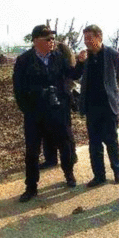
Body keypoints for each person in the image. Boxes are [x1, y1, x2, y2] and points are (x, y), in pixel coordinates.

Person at [13, 25, 83, 202]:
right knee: (32, 151)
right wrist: (28, 109)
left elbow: (72, 74)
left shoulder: (58, 57)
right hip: (35, 113)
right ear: (36, 40)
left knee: (65, 145)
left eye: (53, 39)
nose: (52, 42)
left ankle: (69, 174)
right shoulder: (24, 60)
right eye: (48, 39)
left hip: (58, 110)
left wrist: (81, 63)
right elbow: (18, 89)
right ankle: (31, 187)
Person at [76, 24, 119, 187]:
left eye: (90, 38)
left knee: (111, 140)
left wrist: (111, 94)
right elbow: (76, 75)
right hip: (91, 106)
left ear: (99, 37)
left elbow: (117, 76)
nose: (87, 41)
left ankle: (117, 170)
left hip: (108, 105)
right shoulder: (84, 57)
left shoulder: (112, 54)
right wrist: (80, 63)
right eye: (85, 38)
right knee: (94, 143)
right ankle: (99, 175)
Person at [39, 40, 79, 169]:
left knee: (64, 129)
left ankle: (67, 156)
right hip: (50, 97)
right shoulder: (49, 56)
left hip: (62, 97)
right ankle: (56, 157)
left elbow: (71, 74)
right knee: (49, 129)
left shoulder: (60, 56)